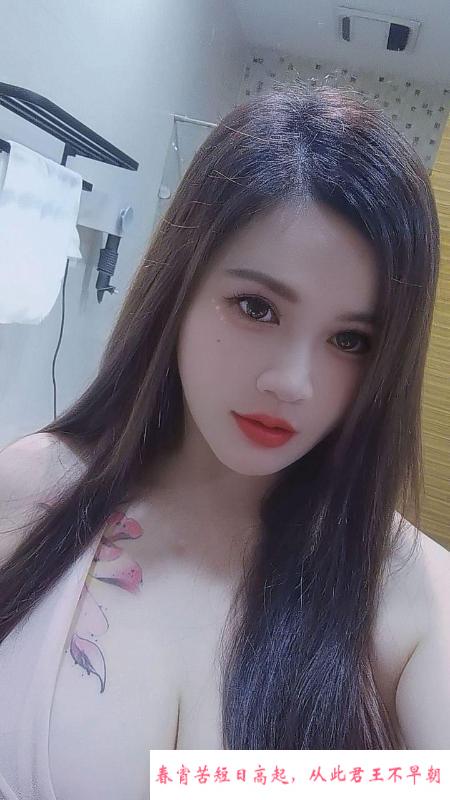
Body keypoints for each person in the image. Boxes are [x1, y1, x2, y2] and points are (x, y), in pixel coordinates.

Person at [0, 83, 449, 799]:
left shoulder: (412, 590)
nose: (292, 382)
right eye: (256, 307)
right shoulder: (33, 489)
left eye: (351, 340)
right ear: (180, 289)